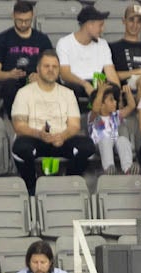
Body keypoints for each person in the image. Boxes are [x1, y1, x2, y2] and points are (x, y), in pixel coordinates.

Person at [11, 51, 95, 195]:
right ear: (38, 69)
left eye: (55, 67)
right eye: (46, 66)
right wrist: (39, 134)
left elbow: (75, 126)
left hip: (61, 140)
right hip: (36, 139)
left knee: (87, 146)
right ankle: (31, 188)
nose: (51, 70)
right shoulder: (24, 93)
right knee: (21, 148)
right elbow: (19, 126)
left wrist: (62, 136)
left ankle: (68, 184)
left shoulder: (68, 93)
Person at [0, 1, 54, 117]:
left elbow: (52, 65)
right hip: (13, 82)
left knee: (53, 82)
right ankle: (16, 120)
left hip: (35, 81)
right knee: (10, 86)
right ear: (13, 16)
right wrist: (9, 74)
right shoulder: (2, 39)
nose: (23, 24)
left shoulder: (42, 39)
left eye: (27, 20)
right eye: (19, 20)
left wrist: (41, 76)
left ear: (32, 16)